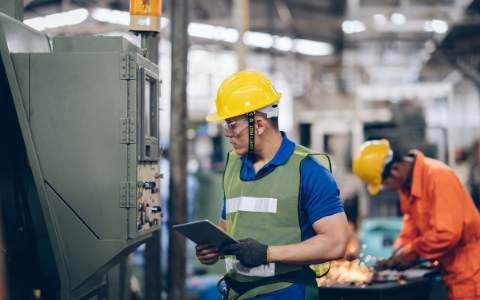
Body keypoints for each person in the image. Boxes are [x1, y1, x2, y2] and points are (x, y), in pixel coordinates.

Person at [195, 71, 348, 300]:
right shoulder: (233, 166)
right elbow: (227, 227)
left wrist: (267, 253)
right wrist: (214, 249)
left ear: (258, 125)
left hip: (286, 294)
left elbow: (335, 243)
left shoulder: (308, 170)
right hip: (237, 293)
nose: (227, 133)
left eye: (232, 125)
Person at [352, 139, 480, 300]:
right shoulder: (408, 185)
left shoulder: (438, 178)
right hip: (453, 270)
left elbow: (447, 233)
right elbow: (411, 222)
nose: (388, 189)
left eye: (384, 184)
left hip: (472, 272)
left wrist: (410, 252)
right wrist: (398, 249)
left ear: (395, 169)